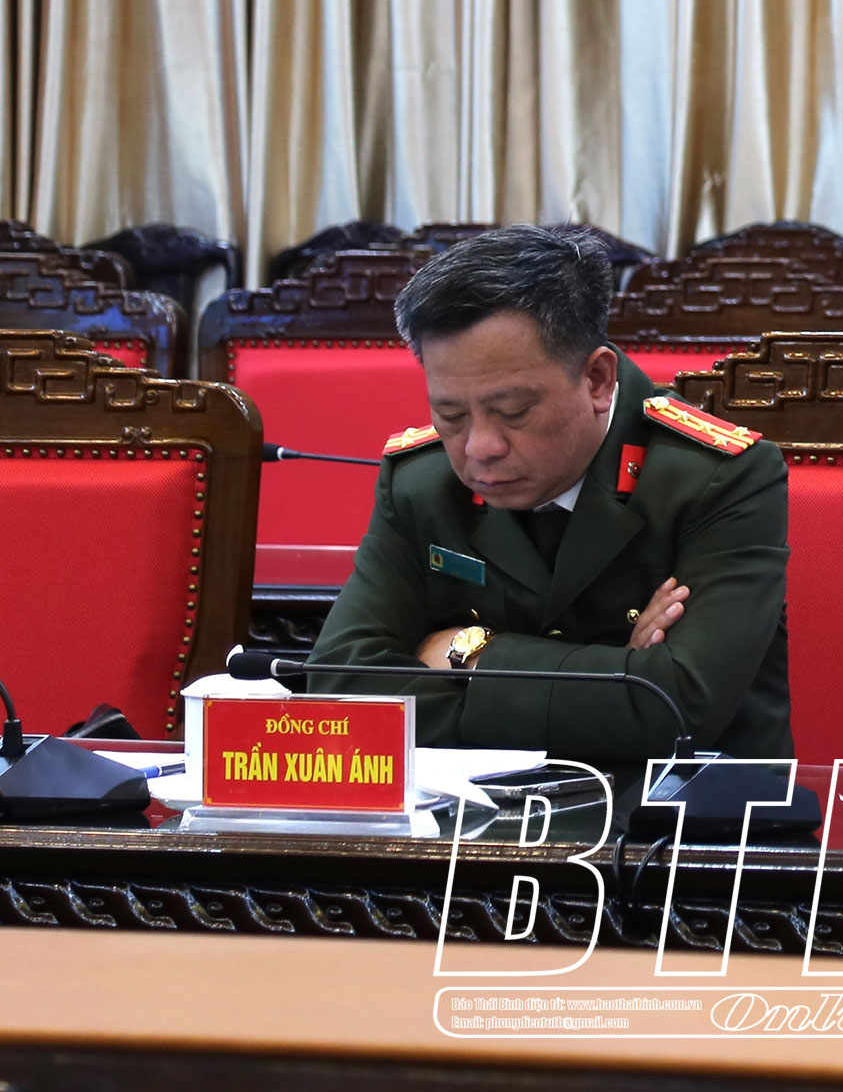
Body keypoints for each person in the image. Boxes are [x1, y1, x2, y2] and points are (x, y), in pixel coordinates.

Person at [309, 226, 794, 769]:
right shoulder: (420, 481)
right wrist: (617, 673)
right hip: (468, 809)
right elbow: (339, 686)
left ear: (597, 380)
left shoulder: (716, 477)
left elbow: (678, 709)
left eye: (513, 412)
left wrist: (466, 652)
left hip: (678, 813)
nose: (480, 448)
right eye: (451, 415)